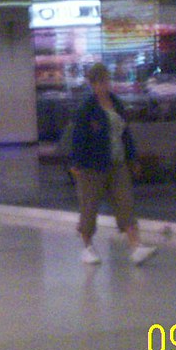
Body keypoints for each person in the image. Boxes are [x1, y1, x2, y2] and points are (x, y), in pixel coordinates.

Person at [69, 62, 156, 266]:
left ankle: (136, 246)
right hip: (92, 166)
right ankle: (87, 247)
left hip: (117, 163)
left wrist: (132, 158)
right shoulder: (86, 109)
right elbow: (79, 138)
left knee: (125, 203)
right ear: (92, 84)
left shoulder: (117, 104)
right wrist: (77, 164)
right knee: (89, 207)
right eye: (99, 82)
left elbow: (125, 134)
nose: (104, 86)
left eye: (106, 81)